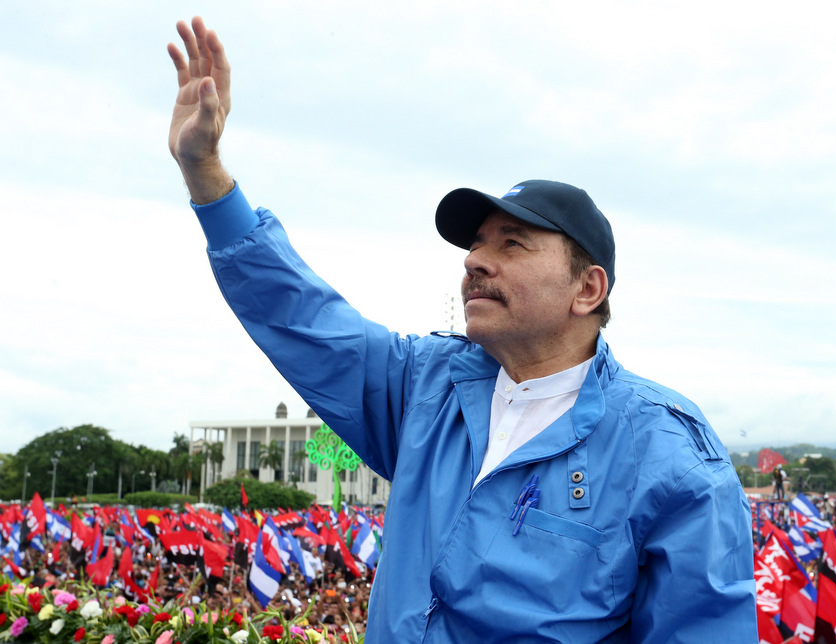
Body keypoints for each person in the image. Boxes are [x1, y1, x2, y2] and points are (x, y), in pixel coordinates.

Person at [166, 16, 757, 643]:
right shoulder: (426, 388)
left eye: (512, 243)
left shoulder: (669, 454)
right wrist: (205, 172)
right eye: (475, 243)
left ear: (587, 289)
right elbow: (303, 316)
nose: (475, 260)